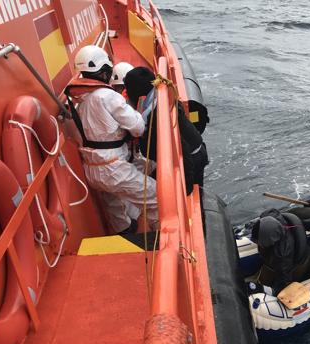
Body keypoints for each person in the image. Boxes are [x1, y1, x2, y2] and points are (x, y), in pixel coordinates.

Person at [64, 45, 158, 234]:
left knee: (113, 204)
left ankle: (124, 232)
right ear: (105, 71)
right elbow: (138, 127)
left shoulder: (78, 100)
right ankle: (162, 239)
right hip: (113, 168)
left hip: (92, 169)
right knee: (155, 196)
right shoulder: (108, 96)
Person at [123, 67, 209, 195]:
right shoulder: (162, 97)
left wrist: (186, 188)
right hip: (194, 150)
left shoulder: (157, 114)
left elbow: (182, 148)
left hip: (192, 158)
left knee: (190, 194)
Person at [249, 208, 309, 296]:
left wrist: (274, 290)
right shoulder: (270, 215)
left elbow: (284, 277)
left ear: (270, 240)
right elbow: (271, 211)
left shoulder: (282, 254)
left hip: (294, 261)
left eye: (259, 242)